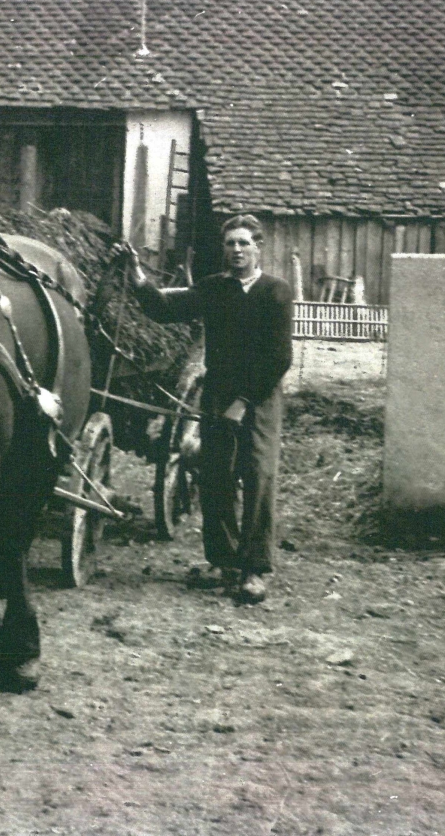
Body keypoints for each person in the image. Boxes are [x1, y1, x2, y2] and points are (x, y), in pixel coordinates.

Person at [123, 215, 293, 603]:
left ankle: (254, 569)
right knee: (215, 476)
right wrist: (138, 280)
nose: (236, 250)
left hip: (260, 397)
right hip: (217, 395)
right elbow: (165, 308)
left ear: (258, 247)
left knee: (257, 476)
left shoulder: (275, 292)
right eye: (230, 243)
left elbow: (279, 358)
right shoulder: (214, 289)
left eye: (244, 243)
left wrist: (244, 402)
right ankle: (223, 561)